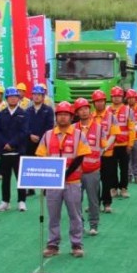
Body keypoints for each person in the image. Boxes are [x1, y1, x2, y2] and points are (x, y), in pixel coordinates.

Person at [38, 101, 92, 258]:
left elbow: (80, 158)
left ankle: (76, 244)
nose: (62, 118)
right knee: (53, 214)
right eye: (60, 115)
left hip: (73, 181)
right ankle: (53, 244)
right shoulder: (48, 135)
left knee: (75, 214)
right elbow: (41, 156)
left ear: (71, 117)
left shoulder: (79, 135)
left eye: (65, 115)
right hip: (53, 183)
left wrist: (65, 174)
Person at [74, 98, 106, 237]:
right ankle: (79, 224)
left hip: (92, 171)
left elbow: (103, 146)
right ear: (77, 112)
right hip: (75, 172)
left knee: (93, 200)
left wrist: (96, 160)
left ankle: (94, 224)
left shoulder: (99, 128)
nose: (84, 111)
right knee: (76, 200)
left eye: (86, 108)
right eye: (81, 109)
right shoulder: (73, 128)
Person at [0, 87, 28, 212]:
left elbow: (24, 132)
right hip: (5, 152)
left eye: (15, 96)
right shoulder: (0, 115)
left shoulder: (24, 114)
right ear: (7, 99)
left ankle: (21, 201)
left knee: (20, 178)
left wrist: (12, 144)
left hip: (18, 151)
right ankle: (5, 201)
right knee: (5, 178)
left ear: (18, 99)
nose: (13, 98)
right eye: (10, 97)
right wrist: (5, 144)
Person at [103, 87, 135, 203]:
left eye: (119, 96)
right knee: (111, 169)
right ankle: (113, 188)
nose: (116, 98)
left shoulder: (128, 110)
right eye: (114, 96)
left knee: (124, 168)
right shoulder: (107, 110)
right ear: (111, 97)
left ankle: (124, 188)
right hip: (110, 145)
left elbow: (132, 129)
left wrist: (130, 144)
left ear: (122, 97)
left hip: (124, 144)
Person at [25, 84, 55, 201]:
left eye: (39, 95)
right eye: (35, 95)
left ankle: (46, 188)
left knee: (44, 164)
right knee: (30, 163)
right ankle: (30, 188)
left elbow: (50, 126)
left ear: (43, 97)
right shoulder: (27, 111)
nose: (37, 97)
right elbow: (25, 126)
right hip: (30, 141)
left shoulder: (48, 110)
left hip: (44, 141)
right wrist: (30, 135)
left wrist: (41, 137)